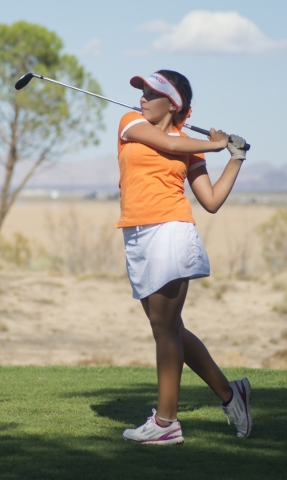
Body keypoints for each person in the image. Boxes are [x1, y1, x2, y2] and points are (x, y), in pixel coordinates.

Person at [114, 70, 252, 445]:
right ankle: (230, 394)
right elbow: (169, 145)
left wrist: (234, 157)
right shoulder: (131, 123)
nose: (142, 97)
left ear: (173, 104)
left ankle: (166, 423)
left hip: (172, 231)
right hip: (137, 235)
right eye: (142, 90)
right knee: (170, 328)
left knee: (165, 327)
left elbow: (210, 201)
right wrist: (215, 143)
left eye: (152, 92)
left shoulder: (189, 145)